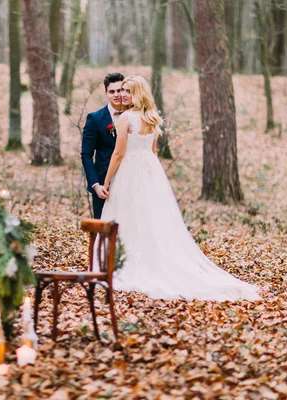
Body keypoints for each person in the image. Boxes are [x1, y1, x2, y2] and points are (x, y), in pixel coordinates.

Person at [101, 75, 259, 301]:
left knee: (130, 215)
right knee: (147, 218)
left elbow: (119, 153)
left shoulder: (125, 118)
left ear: (138, 93)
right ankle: (143, 258)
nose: (123, 95)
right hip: (150, 170)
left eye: (128, 91)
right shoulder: (152, 117)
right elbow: (153, 151)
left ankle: (127, 263)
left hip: (130, 170)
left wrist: (106, 181)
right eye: (122, 90)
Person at [81, 72, 124, 219]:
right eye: (112, 91)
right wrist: (95, 185)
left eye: (120, 90)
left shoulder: (134, 116)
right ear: (106, 93)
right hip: (104, 185)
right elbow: (86, 155)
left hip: (129, 180)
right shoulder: (95, 118)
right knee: (103, 231)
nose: (117, 95)